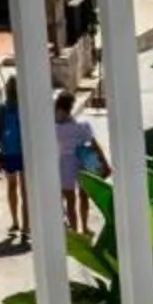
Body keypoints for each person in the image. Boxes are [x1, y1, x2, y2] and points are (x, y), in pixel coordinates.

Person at [54, 89, 103, 232]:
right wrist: (102, 162)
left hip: (65, 163)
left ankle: (75, 230)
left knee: (70, 199)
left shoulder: (55, 129)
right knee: (83, 196)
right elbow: (94, 144)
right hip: (83, 160)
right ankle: (85, 226)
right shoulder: (83, 126)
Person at [0, 70, 25, 246]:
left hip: (8, 154)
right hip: (24, 154)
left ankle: (15, 222)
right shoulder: (26, 108)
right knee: (25, 190)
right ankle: (27, 225)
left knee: (12, 187)